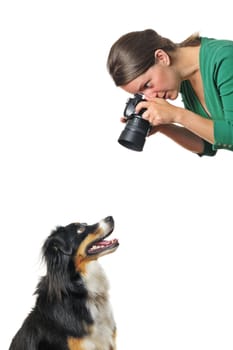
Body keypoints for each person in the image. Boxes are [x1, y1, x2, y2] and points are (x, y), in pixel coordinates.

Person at [107, 29, 233, 156]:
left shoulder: (225, 58)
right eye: (142, 93)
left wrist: (177, 115)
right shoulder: (184, 82)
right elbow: (208, 144)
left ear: (162, 57)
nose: (150, 96)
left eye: (147, 85)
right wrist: (163, 126)